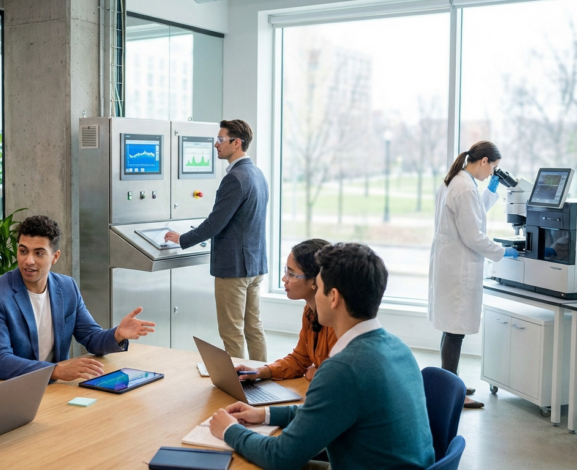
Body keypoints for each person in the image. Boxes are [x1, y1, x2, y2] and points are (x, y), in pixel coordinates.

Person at [209, 243, 434, 470]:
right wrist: (265, 414)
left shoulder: (343, 369)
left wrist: (229, 430)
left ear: (333, 297)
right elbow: (323, 411)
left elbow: (280, 457)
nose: (315, 295)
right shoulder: (399, 348)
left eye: (318, 289)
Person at [0, 215, 156, 383]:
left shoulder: (66, 287)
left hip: (51, 387)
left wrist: (117, 334)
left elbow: (91, 337)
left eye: (39, 253)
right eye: (23, 251)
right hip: (5, 390)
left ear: (55, 257)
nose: (28, 260)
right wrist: (56, 370)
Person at [164, 119, 269, 361]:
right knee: (254, 328)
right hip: (254, 265)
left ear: (237, 142)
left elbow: (215, 222)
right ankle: (261, 377)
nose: (216, 145)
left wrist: (183, 238)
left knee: (232, 333)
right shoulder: (257, 174)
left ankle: (238, 385)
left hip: (233, 268)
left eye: (221, 140)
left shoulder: (235, 178)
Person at [428, 141, 517, 409]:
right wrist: (503, 251)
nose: (491, 174)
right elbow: (473, 235)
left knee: (450, 329)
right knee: (455, 332)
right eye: (493, 169)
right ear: (484, 161)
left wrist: (491, 192)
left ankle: (450, 380)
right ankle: (453, 393)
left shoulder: (454, 181)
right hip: (458, 268)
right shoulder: (465, 187)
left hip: (450, 264)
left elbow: (472, 214)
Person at [235, 239, 337, 382]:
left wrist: (318, 372)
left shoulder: (337, 319)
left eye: (291, 274)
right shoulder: (310, 310)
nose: (284, 279)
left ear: (315, 281)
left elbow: (335, 376)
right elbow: (299, 360)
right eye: (285, 271)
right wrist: (259, 371)